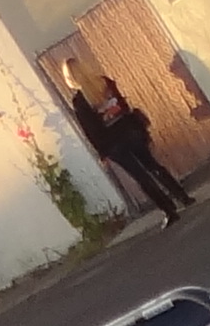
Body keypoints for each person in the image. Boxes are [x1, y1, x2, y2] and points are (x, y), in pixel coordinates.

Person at [72, 69, 192, 223]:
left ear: (71, 79)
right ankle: (183, 197)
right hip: (129, 131)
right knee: (152, 165)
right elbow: (123, 105)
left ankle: (169, 211)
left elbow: (90, 130)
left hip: (113, 144)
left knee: (140, 176)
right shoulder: (104, 82)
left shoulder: (79, 101)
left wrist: (102, 153)